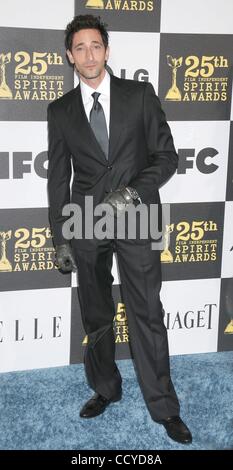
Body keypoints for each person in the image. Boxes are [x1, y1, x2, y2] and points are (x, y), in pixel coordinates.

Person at [47, 14, 192, 445]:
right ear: (70, 57)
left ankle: (164, 408)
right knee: (96, 314)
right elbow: (58, 179)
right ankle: (105, 388)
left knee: (147, 312)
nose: (89, 54)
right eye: (79, 48)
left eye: (96, 46)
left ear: (107, 51)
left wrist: (131, 193)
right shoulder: (59, 110)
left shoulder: (140, 95)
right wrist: (61, 237)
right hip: (85, 220)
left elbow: (167, 158)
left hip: (138, 213)